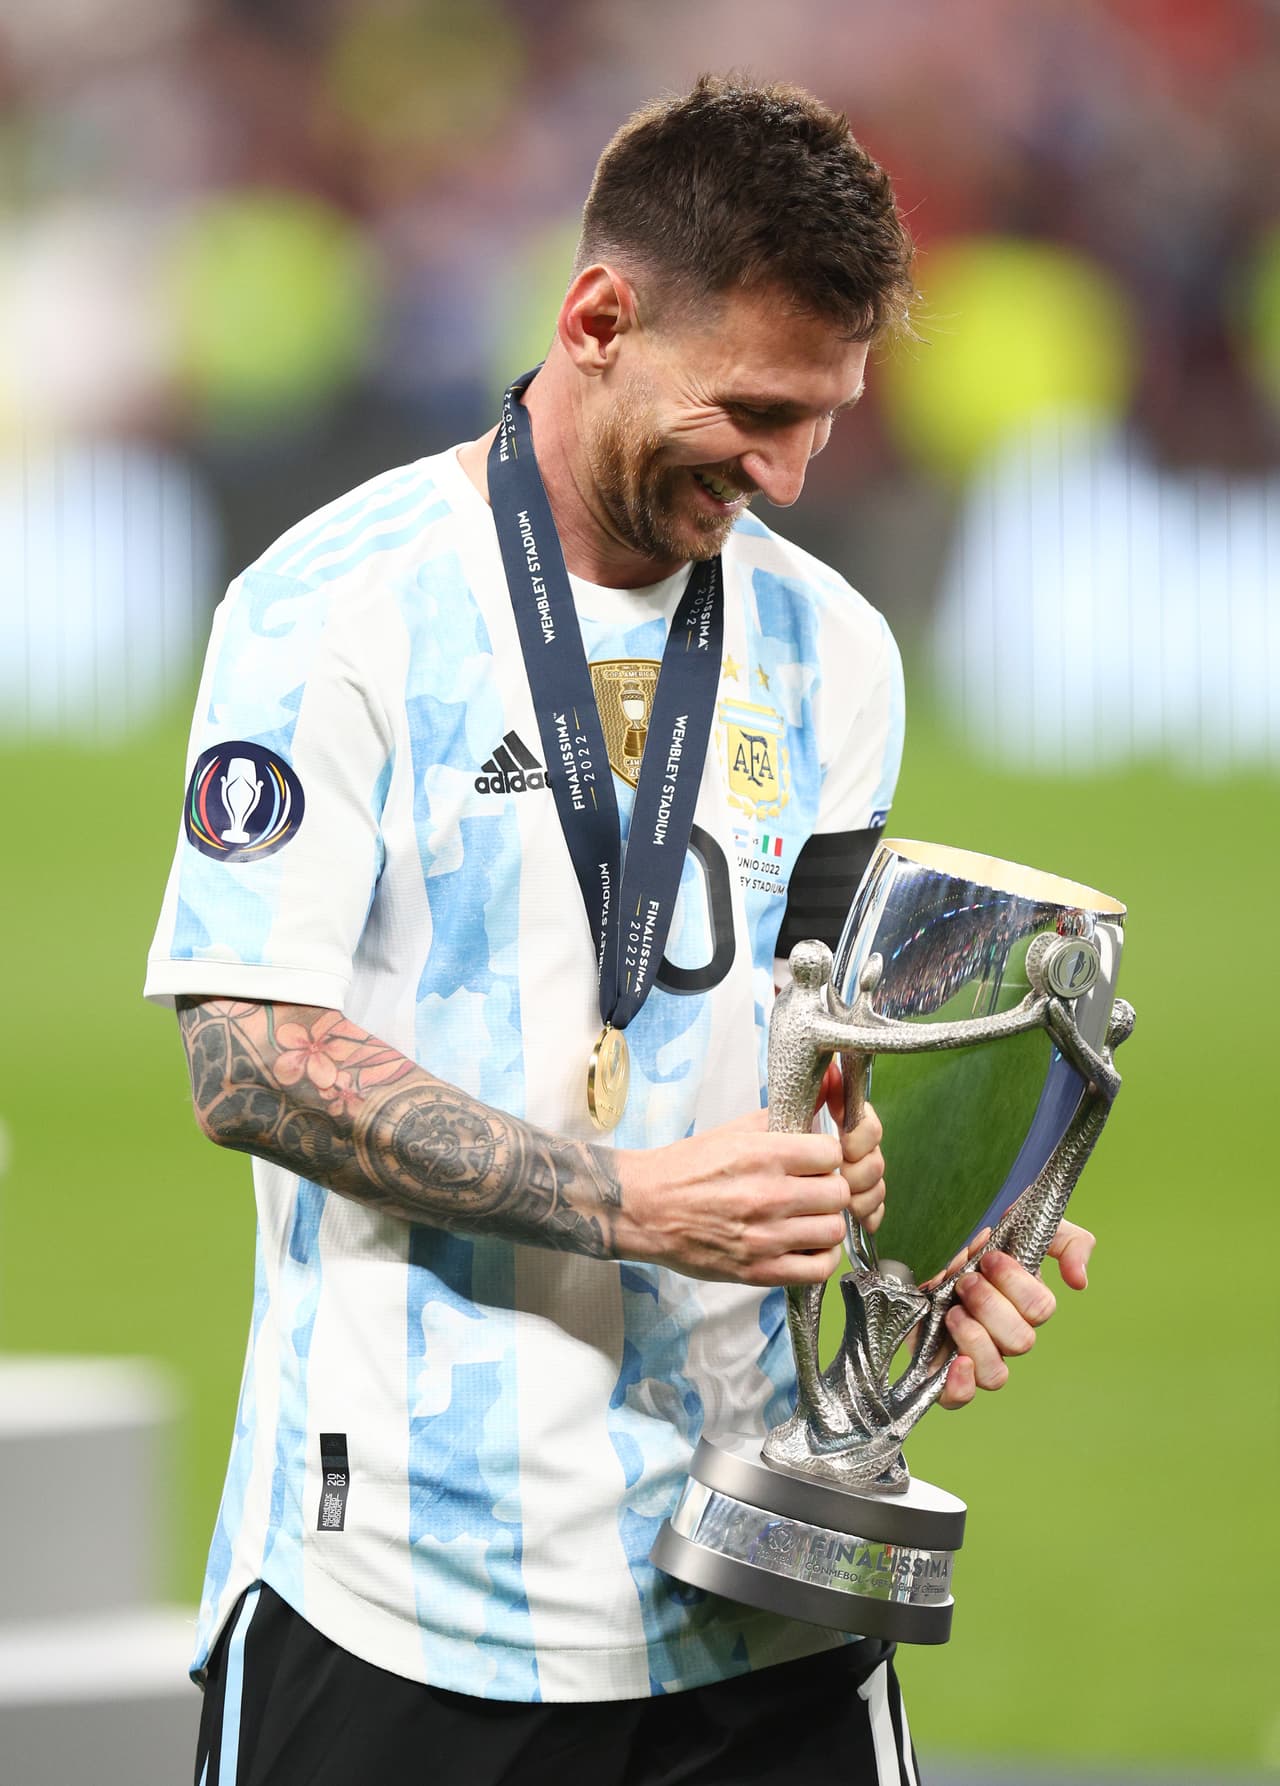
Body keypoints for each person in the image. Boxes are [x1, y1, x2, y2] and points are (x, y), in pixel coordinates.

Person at [146, 74, 1094, 1786]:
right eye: (752, 407)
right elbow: (247, 1058)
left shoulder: (834, 653)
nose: (792, 472)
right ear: (598, 318)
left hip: (762, 1604)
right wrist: (633, 1201)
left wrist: (945, 1238)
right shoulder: (332, 608)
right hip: (406, 1601)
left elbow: (829, 1077)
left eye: (828, 417)